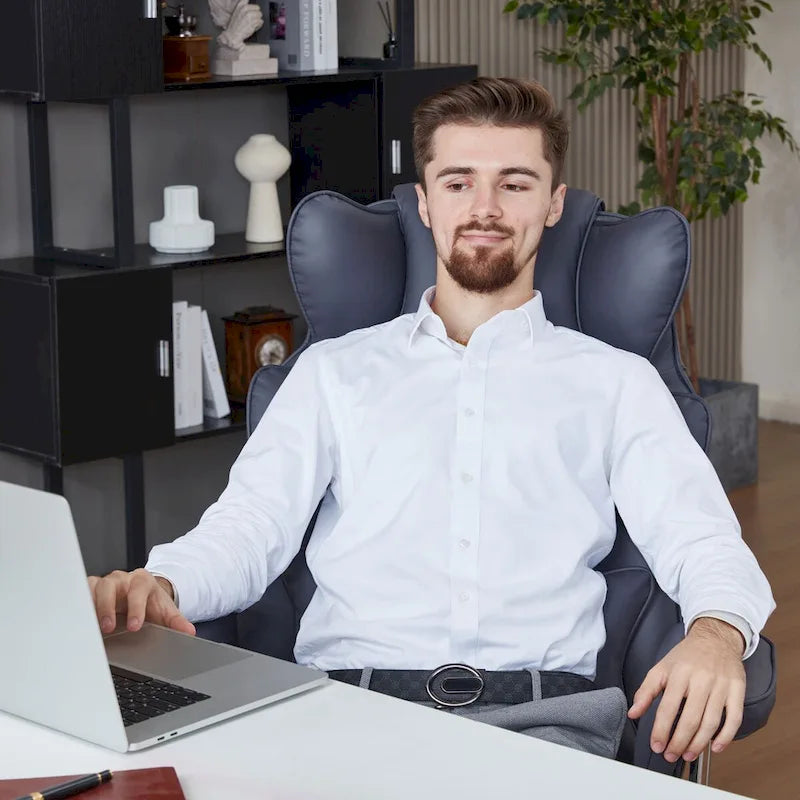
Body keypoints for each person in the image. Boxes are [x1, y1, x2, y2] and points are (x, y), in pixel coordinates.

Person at [89, 77, 774, 762]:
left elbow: (702, 540)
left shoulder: (617, 382)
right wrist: (160, 582)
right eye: (457, 183)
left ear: (553, 203)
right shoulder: (333, 373)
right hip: (340, 715)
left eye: (514, 183)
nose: (484, 208)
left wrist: (717, 636)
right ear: (424, 202)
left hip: (543, 725)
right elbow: (247, 530)